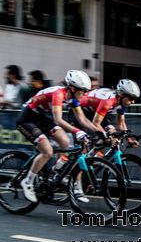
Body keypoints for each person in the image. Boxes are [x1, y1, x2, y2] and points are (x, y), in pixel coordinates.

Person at [16, 70, 100, 203]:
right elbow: (58, 120)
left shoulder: (73, 98)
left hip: (42, 117)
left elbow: (82, 119)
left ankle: (58, 169)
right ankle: (28, 181)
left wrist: (99, 132)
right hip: (27, 118)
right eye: (82, 91)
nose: (84, 94)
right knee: (47, 151)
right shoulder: (58, 94)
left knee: (64, 141)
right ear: (72, 88)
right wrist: (77, 131)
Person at [78, 79, 140, 146]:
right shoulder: (108, 101)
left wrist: (129, 139)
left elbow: (121, 124)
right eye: (131, 98)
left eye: (135, 99)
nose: (133, 102)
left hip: (94, 112)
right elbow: (95, 124)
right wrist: (106, 136)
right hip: (80, 110)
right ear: (122, 94)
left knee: (112, 133)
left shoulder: (121, 102)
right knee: (86, 141)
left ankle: (96, 154)